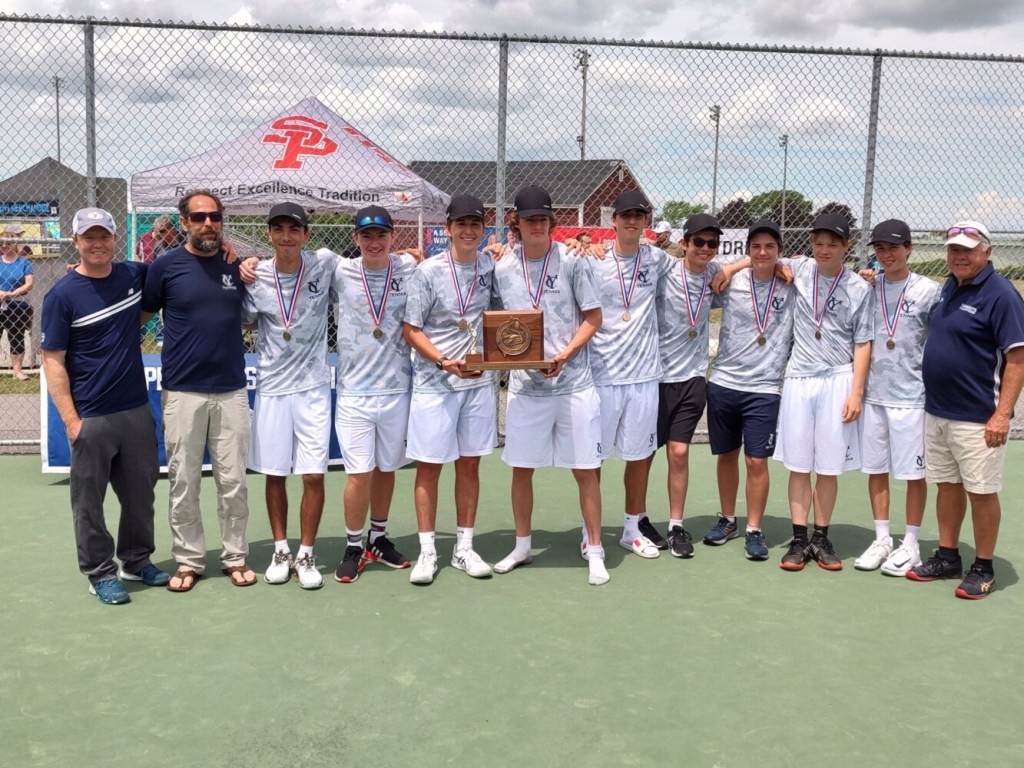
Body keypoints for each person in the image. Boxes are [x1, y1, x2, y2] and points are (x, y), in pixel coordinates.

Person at [41, 208, 169, 605]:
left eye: (104, 236)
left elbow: (178, 267)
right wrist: (72, 422)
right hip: (91, 416)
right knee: (88, 503)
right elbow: (52, 360)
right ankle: (99, 573)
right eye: (89, 237)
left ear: (116, 239)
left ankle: (136, 560)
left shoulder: (135, 275)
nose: (98, 244)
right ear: (76, 242)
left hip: (134, 409)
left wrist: (236, 255)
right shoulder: (61, 295)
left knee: (140, 495)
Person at [490, 186, 608, 585]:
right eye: (528, 219)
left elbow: (593, 318)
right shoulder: (503, 267)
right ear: (516, 224)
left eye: (543, 219)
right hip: (526, 389)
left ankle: (595, 550)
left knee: (586, 470)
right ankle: (522, 545)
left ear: (552, 223)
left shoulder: (573, 261)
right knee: (521, 470)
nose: (536, 225)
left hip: (574, 385)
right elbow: (497, 326)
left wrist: (564, 356)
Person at [142, 190, 254, 592]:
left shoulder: (236, 266)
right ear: (184, 222)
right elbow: (143, 315)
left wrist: (249, 260)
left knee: (233, 481)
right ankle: (188, 560)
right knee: (184, 481)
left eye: (215, 216)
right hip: (182, 392)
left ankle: (235, 556)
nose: (208, 223)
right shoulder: (165, 267)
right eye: (199, 217)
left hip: (231, 390)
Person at [910, 221, 1024, 599]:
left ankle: (984, 567)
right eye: (953, 249)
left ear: (987, 252)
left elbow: (1018, 359)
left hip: (979, 417)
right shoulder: (948, 286)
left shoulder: (1002, 294)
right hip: (938, 411)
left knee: (981, 491)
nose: (959, 256)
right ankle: (947, 556)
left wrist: (1002, 414)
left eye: (968, 250)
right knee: (947, 486)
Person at [403, 194, 497, 585]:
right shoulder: (427, 272)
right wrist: (444, 362)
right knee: (429, 467)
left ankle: (463, 547)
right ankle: (427, 551)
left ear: (483, 229)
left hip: (478, 383)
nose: (469, 230)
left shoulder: (491, 264)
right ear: (448, 229)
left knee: (470, 464)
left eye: (475, 224)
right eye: (461, 224)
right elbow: (411, 329)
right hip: (435, 382)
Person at [773, 212, 874, 571]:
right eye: (818, 242)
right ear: (810, 244)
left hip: (838, 380)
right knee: (799, 465)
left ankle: (821, 536)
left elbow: (863, 343)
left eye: (833, 243)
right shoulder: (798, 270)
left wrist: (856, 392)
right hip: (800, 378)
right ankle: (799, 539)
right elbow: (761, 256)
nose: (825, 249)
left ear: (847, 246)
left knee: (828, 467)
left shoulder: (860, 288)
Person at [242, 203, 335, 590]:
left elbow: (374, 257)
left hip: (313, 388)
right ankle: (281, 549)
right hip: (273, 390)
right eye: (278, 229)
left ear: (306, 235)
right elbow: (245, 318)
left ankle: (307, 552)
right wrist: (240, 265)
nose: (286, 237)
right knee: (275, 474)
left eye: (293, 230)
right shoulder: (255, 276)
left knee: (313, 475)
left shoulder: (325, 263)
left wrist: (411, 254)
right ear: (268, 235)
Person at [331, 205, 416, 583]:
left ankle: (378, 539)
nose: (374, 242)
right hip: (354, 394)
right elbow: (290, 259)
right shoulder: (339, 270)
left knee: (387, 469)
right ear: (356, 239)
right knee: (359, 474)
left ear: (392, 237)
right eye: (367, 235)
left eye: (382, 235)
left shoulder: (409, 268)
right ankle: (353, 546)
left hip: (398, 389)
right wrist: (246, 259)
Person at [585, 190, 672, 560]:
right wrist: (579, 242)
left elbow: (702, 264)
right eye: (626, 216)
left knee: (638, 456)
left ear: (646, 222)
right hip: (602, 375)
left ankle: (631, 530)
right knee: (594, 459)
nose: (632, 221)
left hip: (644, 377)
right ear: (613, 220)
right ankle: (591, 534)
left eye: (639, 216)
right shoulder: (592, 259)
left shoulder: (658, 259)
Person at [852, 220, 941, 575]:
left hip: (912, 399)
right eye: (880, 248)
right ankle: (883, 538)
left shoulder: (929, 291)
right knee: (876, 470)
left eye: (893, 247)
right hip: (874, 397)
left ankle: (912, 544)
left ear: (909, 248)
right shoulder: (867, 288)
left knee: (913, 475)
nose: (886, 254)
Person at [702, 221, 795, 560]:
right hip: (724, 381)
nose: (762, 252)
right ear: (748, 250)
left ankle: (754, 528)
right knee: (726, 455)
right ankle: (728, 520)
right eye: (756, 247)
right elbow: (705, 273)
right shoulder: (730, 281)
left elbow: (815, 262)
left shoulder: (791, 281)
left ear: (779, 251)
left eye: (770, 247)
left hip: (765, 388)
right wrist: (734, 265)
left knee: (757, 461)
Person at [649, 213, 725, 557]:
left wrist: (731, 269)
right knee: (643, 456)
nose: (706, 249)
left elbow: (761, 260)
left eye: (712, 243)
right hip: (656, 378)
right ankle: (637, 519)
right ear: (685, 243)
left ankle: (676, 525)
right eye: (699, 242)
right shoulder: (664, 269)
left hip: (693, 379)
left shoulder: (714, 273)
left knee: (678, 453)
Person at [0, 222, 35, 380]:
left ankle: (17, 371)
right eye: (2, 243)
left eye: (9, 243)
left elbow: (29, 284)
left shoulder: (24, 263)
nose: (5, 246)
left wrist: (12, 293)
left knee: (17, 337)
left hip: (18, 305)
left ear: (14, 244)